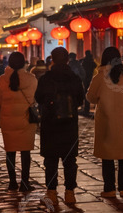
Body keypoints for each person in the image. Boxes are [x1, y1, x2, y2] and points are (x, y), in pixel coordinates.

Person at [34, 47, 85, 207]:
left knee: (51, 160)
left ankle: (52, 193)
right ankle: (70, 194)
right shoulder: (74, 78)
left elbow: (39, 98)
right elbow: (80, 100)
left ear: (52, 60)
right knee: (70, 160)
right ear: (67, 60)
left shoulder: (46, 78)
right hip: (69, 124)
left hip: (50, 124)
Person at [86, 47, 123, 198]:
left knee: (107, 156)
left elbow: (90, 97)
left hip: (106, 120)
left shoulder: (100, 76)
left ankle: (109, 188)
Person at [0, 51, 38, 192]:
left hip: (8, 119)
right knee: (26, 153)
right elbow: (34, 99)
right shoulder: (31, 79)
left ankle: (12, 182)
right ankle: (25, 182)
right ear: (24, 63)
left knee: (10, 152)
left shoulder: (2, 79)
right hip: (25, 119)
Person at [80, 50, 96, 116]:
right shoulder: (91, 61)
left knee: (85, 92)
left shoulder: (84, 61)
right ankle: (87, 108)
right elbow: (94, 65)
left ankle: (85, 108)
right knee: (88, 92)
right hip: (90, 78)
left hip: (85, 78)